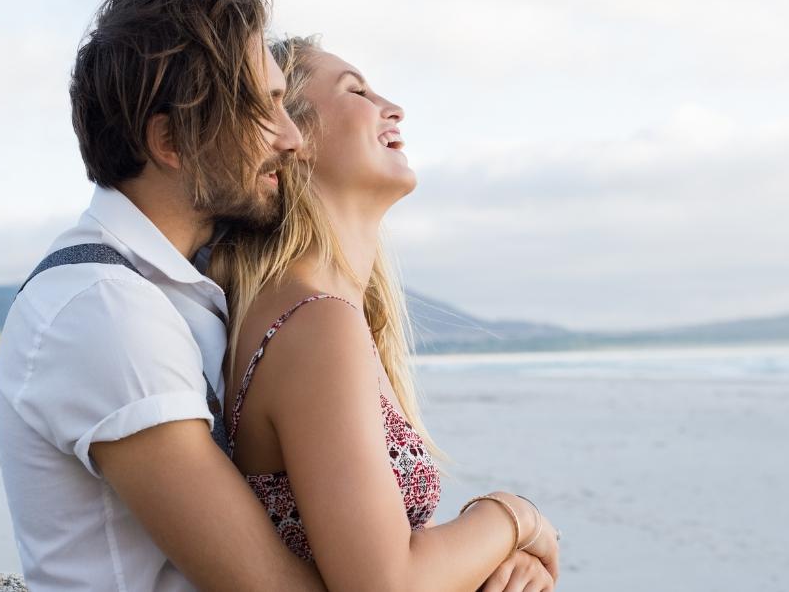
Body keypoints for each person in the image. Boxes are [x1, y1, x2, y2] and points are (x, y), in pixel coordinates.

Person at [0, 0, 328, 591]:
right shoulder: (105, 312)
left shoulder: (180, 286)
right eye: (265, 108)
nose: (292, 138)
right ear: (171, 140)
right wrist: (506, 524)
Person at [207, 36, 562, 591]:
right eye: (356, 91)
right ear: (293, 138)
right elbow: (386, 586)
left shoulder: (321, 315)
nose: (392, 107)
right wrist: (512, 516)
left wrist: (488, 559)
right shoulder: (315, 322)